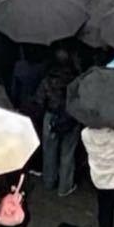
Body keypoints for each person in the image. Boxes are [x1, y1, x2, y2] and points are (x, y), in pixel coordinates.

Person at [35, 47, 81, 198]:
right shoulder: (76, 80)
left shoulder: (47, 79)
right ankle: (65, 187)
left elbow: (39, 100)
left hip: (51, 117)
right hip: (71, 118)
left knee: (49, 151)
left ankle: (49, 181)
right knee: (67, 153)